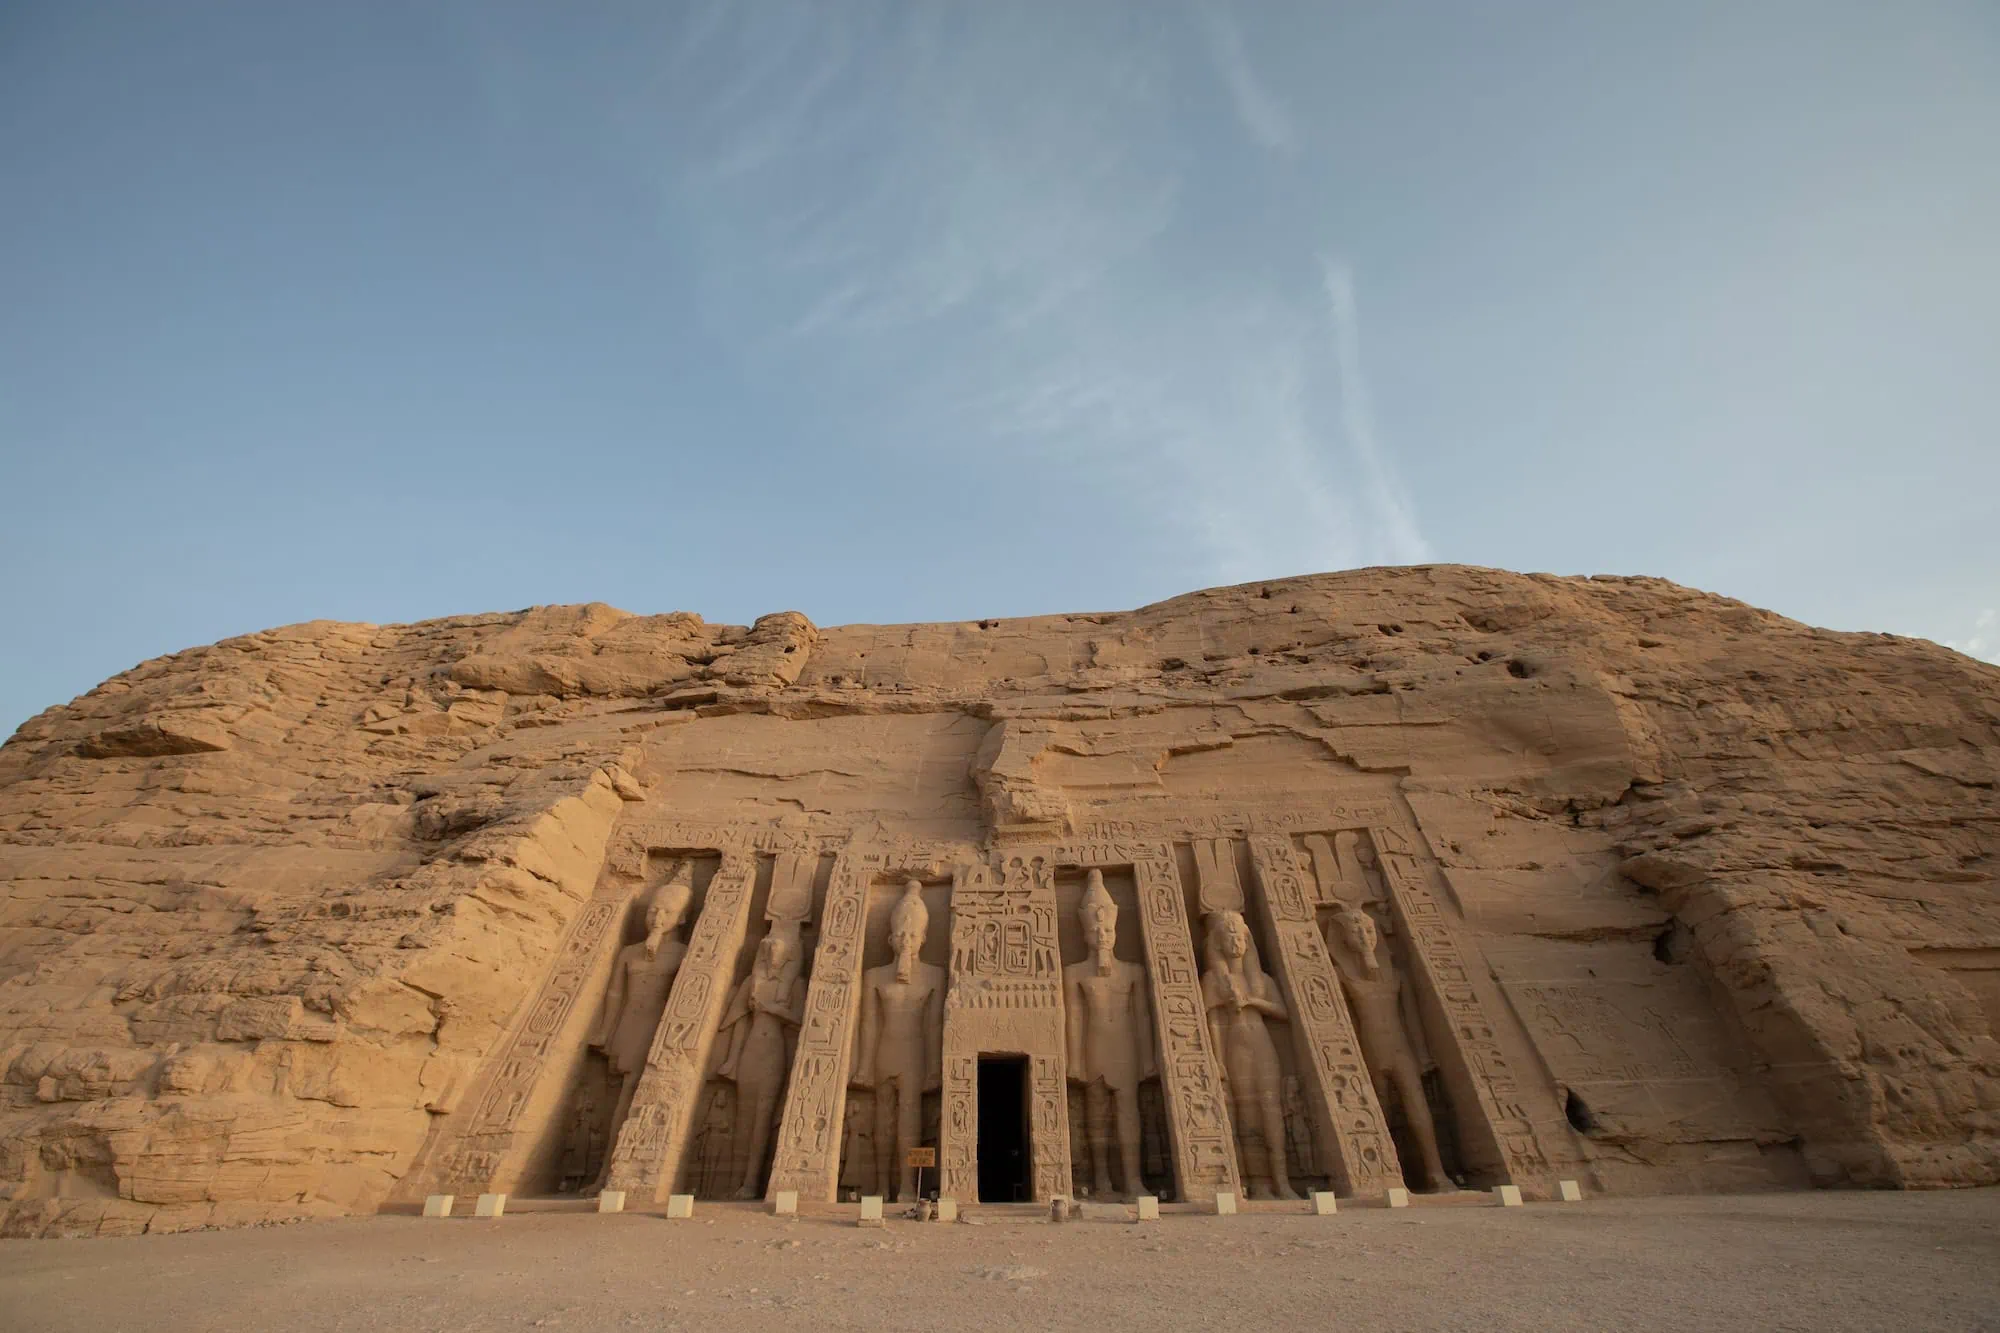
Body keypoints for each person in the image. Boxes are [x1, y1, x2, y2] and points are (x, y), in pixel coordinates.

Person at [1325, 902, 1455, 1192]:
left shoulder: (1396, 975)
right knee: (1374, 1110)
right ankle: (1384, 1172)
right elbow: (1340, 1018)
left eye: (1369, 930)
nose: (1363, 936)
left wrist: (1422, 1053)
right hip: (1367, 1050)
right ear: (1341, 938)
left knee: (1417, 1105)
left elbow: (1411, 1019)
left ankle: (1435, 1171)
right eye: (1356, 931)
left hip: (1401, 1048)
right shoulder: (1341, 975)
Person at [590, 867, 694, 1176]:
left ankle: (613, 1170)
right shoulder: (628, 953)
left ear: (683, 918)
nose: (657, 918)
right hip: (626, 1027)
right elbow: (613, 995)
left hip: (654, 1029)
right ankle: (606, 1168)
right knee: (617, 1094)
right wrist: (605, 1031)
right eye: (653, 911)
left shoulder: (681, 954)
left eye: (666, 912)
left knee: (631, 1093)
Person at [1063, 870, 1156, 1199]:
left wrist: (1148, 1058)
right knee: (1096, 1112)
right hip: (1094, 1047)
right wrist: (1073, 1061)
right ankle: (1101, 1180)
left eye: (1107, 930)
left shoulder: (1134, 972)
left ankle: (1132, 1180)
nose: (1102, 935)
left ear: (1115, 932)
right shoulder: (1074, 973)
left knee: (1129, 1110)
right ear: (1086, 934)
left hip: (1126, 1046)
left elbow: (1143, 1016)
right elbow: (1073, 1018)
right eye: (1096, 930)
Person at [853, 881, 945, 1201]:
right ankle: (880, 1186)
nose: (907, 941)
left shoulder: (934, 976)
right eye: (901, 936)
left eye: (913, 936)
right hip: (884, 1054)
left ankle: (907, 1186)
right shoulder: (874, 976)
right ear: (891, 939)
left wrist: (934, 1069)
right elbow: (868, 1024)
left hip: (914, 1057)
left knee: (909, 1119)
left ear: (923, 939)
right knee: (882, 1122)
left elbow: (934, 1027)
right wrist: (862, 1066)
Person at [1200, 909, 1298, 1200]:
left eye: (1239, 936)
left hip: (1262, 1044)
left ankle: (1281, 1180)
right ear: (1216, 943)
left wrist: (1251, 1001)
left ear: (1247, 940)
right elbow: (1213, 1022)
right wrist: (1217, 1060)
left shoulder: (1262, 980)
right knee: (1246, 1110)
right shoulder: (1213, 979)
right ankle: (1257, 1182)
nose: (1235, 942)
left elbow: (1282, 1012)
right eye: (1228, 936)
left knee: (1271, 1109)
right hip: (1234, 1048)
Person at [712, 920, 806, 1198]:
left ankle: (753, 1181)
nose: (772, 959)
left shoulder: (795, 985)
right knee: (743, 1116)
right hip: (750, 1050)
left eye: (778, 955)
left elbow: (801, 1019)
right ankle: (736, 1180)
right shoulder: (752, 982)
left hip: (774, 1051)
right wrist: (731, 1059)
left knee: (764, 1116)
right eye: (768, 953)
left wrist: (774, 1009)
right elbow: (739, 1022)